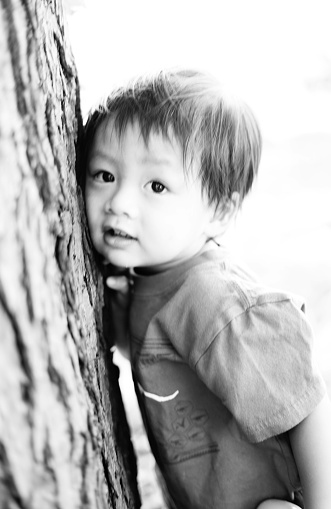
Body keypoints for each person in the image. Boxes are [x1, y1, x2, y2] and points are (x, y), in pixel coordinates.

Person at [82, 69, 331, 509]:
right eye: (104, 175)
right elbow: (148, 353)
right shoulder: (150, 275)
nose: (119, 202)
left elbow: (308, 408)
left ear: (217, 209)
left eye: (156, 186)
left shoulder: (214, 301)